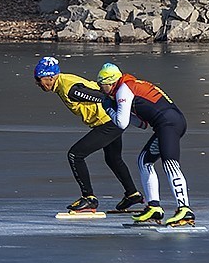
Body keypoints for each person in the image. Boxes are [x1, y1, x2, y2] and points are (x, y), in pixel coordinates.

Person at [33, 56, 144, 213]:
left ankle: (89, 198)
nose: (37, 84)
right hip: (111, 120)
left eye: (39, 80)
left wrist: (122, 109)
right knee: (113, 158)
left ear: (50, 77)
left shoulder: (69, 89)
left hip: (108, 123)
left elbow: (101, 96)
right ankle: (133, 194)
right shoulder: (63, 82)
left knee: (75, 155)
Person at [95, 62, 195, 226]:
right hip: (170, 122)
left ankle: (184, 209)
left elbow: (121, 123)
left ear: (111, 83)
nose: (100, 89)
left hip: (168, 124)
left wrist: (109, 108)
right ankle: (154, 206)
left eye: (102, 85)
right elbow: (141, 124)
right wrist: (114, 106)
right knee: (144, 161)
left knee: (170, 164)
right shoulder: (127, 87)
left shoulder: (123, 90)